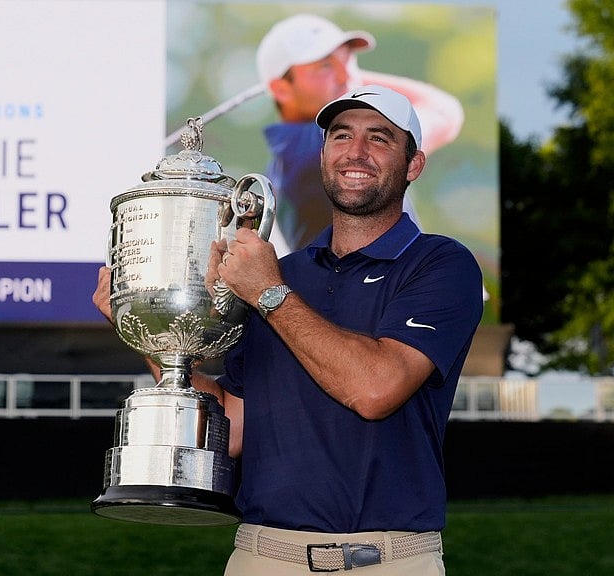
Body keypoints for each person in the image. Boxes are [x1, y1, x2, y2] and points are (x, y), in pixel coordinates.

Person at [94, 86, 483, 575]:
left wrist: (271, 295)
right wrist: (148, 333)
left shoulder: (440, 264)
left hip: (386, 561)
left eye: (379, 139)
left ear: (414, 165)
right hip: (263, 556)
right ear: (323, 156)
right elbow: (232, 428)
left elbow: (375, 388)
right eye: (341, 136)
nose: (355, 152)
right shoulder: (282, 273)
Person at [256, 13, 464, 253]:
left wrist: (348, 81)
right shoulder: (318, 144)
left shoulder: (287, 154)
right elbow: (444, 111)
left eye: (348, 61)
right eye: (325, 66)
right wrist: (359, 85)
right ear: (280, 89)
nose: (347, 75)